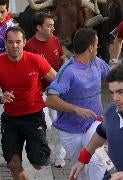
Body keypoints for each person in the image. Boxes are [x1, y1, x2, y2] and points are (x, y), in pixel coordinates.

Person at [46, 28, 110, 180]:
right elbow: (50, 99)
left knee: (99, 160)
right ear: (90, 47)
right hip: (70, 131)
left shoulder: (98, 63)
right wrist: (76, 109)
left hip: (94, 123)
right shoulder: (68, 71)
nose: (98, 48)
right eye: (97, 45)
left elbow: (113, 76)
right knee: (80, 170)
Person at [0, 26, 56, 180]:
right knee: (13, 163)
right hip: (11, 119)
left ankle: (38, 150)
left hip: (34, 117)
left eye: (18, 42)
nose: (15, 46)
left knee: (39, 163)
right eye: (10, 42)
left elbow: (57, 81)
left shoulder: (36, 60)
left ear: (24, 42)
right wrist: (0, 98)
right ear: (5, 43)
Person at [24, 12, 67, 168]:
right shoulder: (29, 46)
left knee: (61, 124)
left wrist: (68, 66)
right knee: (46, 125)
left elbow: (62, 59)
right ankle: (42, 150)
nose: (52, 29)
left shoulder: (55, 41)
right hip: (39, 94)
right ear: (38, 28)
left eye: (53, 26)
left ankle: (58, 156)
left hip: (57, 91)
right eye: (49, 26)